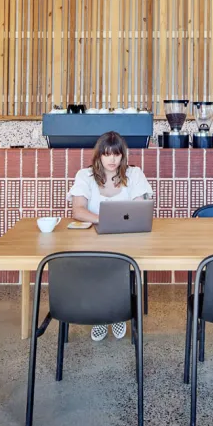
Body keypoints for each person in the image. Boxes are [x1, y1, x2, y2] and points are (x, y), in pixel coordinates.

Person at [68, 131, 153, 341]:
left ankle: (117, 314)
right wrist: (106, 220)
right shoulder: (85, 176)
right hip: (94, 239)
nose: (112, 159)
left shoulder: (134, 174)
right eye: (107, 154)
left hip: (127, 238)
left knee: (119, 262)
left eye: (116, 154)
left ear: (123, 155)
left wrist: (115, 223)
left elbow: (140, 208)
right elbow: (78, 210)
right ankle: (101, 315)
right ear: (99, 156)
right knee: (98, 262)